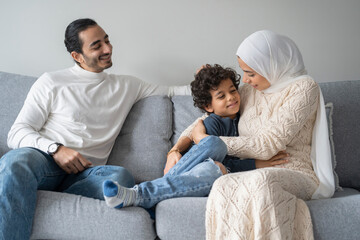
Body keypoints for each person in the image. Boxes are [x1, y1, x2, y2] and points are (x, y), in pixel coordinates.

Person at [0, 18, 190, 240]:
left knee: (120, 177)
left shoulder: (128, 85)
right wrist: (56, 149)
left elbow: (175, 91)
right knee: (16, 162)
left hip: (87, 173)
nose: (108, 49)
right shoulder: (52, 82)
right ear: (77, 56)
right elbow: (17, 133)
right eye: (97, 45)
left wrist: (209, 79)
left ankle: (29, 195)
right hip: (45, 162)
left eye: (107, 41)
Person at [182, 30, 335, 239]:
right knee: (223, 184)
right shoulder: (248, 91)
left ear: (270, 66)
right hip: (253, 172)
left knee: (261, 182)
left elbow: (269, 144)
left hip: (295, 171)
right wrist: (175, 149)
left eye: (251, 73)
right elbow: (197, 126)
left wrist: (208, 142)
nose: (245, 79)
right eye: (243, 72)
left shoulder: (304, 88)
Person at [102, 64, 287, 209]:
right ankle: (147, 193)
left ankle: (142, 195)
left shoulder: (244, 116)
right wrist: (254, 164)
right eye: (221, 96)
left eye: (232, 91)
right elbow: (223, 161)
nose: (231, 98)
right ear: (208, 106)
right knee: (215, 149)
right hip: (201, 170)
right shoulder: (211, 122)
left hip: (210, 176)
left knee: (215, 168)